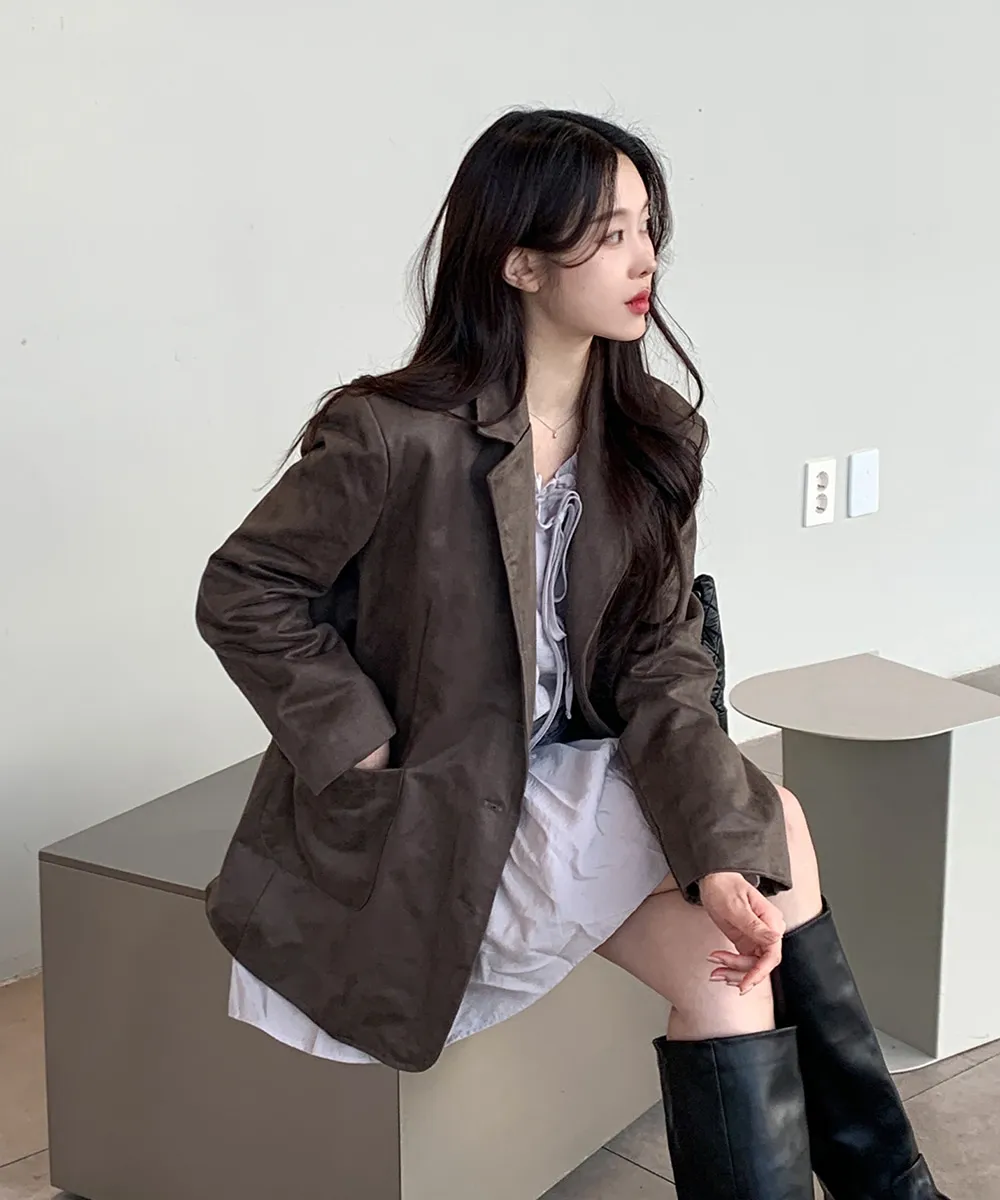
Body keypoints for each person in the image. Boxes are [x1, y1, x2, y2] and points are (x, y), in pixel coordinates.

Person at [195, 107, 947, 1198]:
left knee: (733, 964)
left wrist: (715, 859)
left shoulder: (651, 437)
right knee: (771, 832)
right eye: (608, 235)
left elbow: (661, 664)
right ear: (519, 262)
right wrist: (358, 741)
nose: (644, 262)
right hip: (449, 803)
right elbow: (246, 587)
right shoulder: (394, 435)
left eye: (648, 229)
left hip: (567, 778)